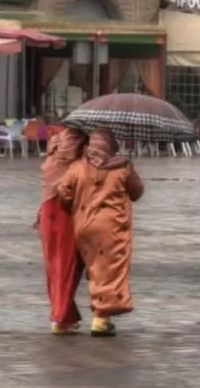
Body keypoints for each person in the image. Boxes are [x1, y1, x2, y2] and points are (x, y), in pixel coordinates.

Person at [58, 128, 144, 337]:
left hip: (83, 225)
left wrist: (76, 208)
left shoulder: (77, 167)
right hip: (112, 226)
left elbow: (63, 192)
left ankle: (97, 312)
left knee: (94, 268)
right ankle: (101, 319)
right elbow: (137, 191)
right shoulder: (121, 166)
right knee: (109, 270)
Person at [35, 128, 88, 335]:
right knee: (68, 265)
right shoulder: (79, 161)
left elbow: (47, 188)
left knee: (54, 267)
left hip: (48, 212)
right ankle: (60, 318)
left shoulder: (51, 158)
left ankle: (65, 315)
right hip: (68, 210)